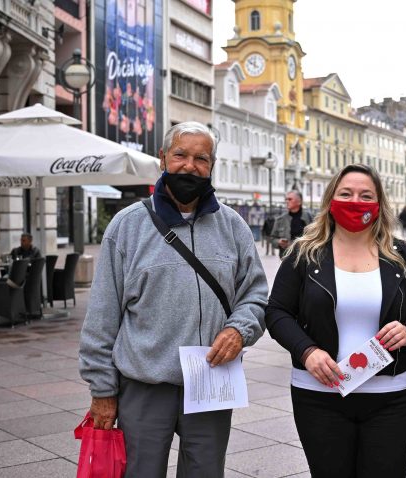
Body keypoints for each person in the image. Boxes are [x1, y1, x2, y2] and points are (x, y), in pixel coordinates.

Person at [78, 122, 268, 478]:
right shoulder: (126, 226)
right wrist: (102, 389)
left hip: (211, 380)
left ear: (212, 166)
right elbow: (102, 315)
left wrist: (240, 330)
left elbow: (255, 295)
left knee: (205, 472)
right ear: (163, 157)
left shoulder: (233, 227)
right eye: (180, 155)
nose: (189, 166)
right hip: (145, 384)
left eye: (201, 158)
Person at [266, 164, 406, 478]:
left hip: (390, 395)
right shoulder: (304, 254)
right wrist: (307, 351)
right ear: (331, 200)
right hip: (319, 394)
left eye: (365, 195)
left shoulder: (404, 255)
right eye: (346, 194)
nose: (355, 202)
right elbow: (277, 312)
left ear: (378, 204)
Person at [270, 190, 314, 256]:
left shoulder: (310, 218)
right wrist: (279, 242)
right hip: (287, 259)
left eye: (290, 199)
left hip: (307, 258)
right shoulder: (280, 220)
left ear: (299, 202)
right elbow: (272, 239)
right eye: (286, 199)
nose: (287, 201)